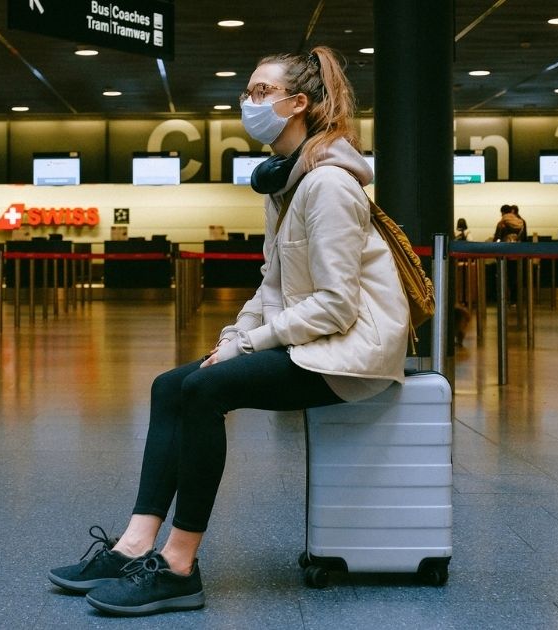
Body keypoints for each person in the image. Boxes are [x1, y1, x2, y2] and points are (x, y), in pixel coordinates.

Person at [47, 46, 410, 616]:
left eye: (261, 92)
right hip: (314, 342)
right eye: (248, 91)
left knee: (205, 390)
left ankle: (178, 566)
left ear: (299, 104)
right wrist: (232, 338)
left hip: (349, 355)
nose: (248, 101)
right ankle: (133, 544)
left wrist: (250, 345)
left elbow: (338, 306)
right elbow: (274, 283)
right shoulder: (288, 184)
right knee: (172, 384)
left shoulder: (329, 186)